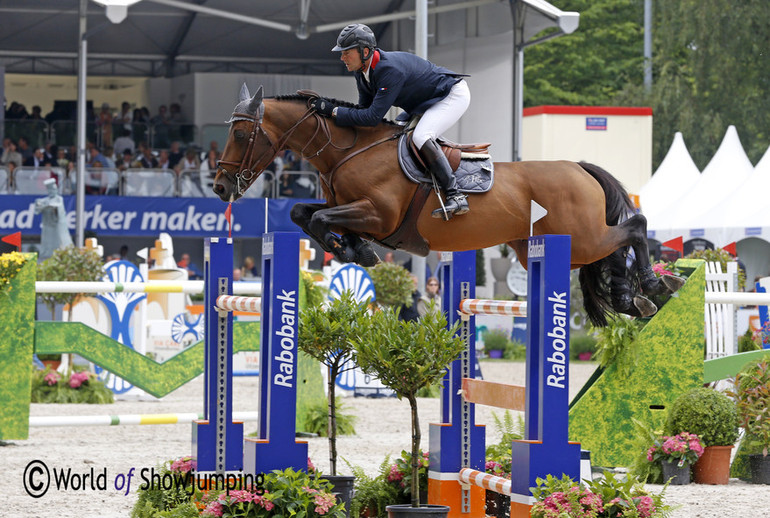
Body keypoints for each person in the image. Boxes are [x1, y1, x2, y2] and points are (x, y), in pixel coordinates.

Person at [315, 23, 471, 219]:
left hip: (451, 95)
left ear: (364, 51)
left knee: (421, 136)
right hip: (423, 103)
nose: (342, 57)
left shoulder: (389, 70)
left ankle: (455, 194)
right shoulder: (362, 72)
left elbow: (372, 118)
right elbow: (363, 110)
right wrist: (329, 110)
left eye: (346, 52)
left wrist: (334, 111)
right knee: (393, 134)